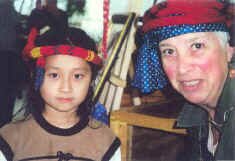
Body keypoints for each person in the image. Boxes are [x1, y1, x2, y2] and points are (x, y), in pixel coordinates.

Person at [0, 22, 121, 160]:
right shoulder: (10, 138)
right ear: (35, 75)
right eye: (54, 75)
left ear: (91, 80)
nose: (66, 88)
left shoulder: (105, 141)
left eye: (77, 76)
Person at [132, 0, 234, 161]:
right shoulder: (198, 114)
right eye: (169, 51)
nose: (182, 68)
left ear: (228, 50)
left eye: (197, 46)